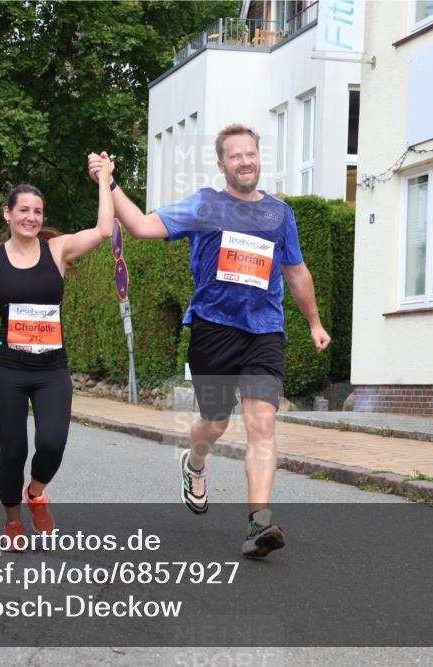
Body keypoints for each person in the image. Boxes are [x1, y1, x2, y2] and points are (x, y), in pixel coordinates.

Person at [88, 124, 330, 558]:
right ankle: (194, 462)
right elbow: (142, 227)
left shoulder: (280, 215)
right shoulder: (205, 205)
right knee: (215, 422)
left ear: (260, 158)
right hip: (213, 329)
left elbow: (296, 272)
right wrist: (111, 182)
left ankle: (259, 522)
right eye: (235, 156)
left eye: (251, 154)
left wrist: (314, 322)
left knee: (262, 425)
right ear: (222, 165)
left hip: (265, 332)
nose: (245, 162)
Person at [0, 156, 116, 548]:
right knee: (13, 452)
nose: (31, 217)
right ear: (8, 214)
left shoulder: (58, 250)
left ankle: (36, 493)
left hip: (52, 369)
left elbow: (105, 230)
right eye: (24, 210)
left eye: (37, 211)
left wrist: (104, 179)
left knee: (52, 444)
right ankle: (13, 522)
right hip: (8, 372)